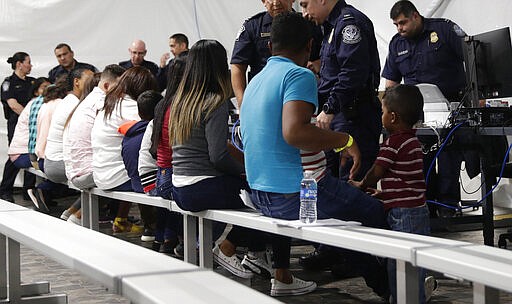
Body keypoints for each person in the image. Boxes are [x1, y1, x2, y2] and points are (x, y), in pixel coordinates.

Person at [241, 12, 388, 297]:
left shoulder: (255, 81)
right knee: (374, 212)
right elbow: (294, 132)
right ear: (310, 46)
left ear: (270, 47)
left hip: (261, 194)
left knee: (347, 223)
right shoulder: (299, 74)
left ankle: (384, 286)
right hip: (296, 194)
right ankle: (401, 289)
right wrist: (344, 140)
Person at [169, 40, 272, 280]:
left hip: (180, 187)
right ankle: (229, 248)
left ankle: (246, 253)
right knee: (265, 196)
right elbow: (218, 156)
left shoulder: (181, 101)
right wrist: (245, 171)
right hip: (202, 186)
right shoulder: (214, 101)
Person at [298, 0, 383, 271]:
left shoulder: (349, 24)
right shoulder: (330, 27)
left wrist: (330, 109)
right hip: (340, 114)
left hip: (352, 116)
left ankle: (367, 259)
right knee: (333, 185)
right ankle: (334, 252)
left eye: (306, 3)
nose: (304, 12)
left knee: (352, 186)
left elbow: (353, 73)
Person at [381, 0, 478, 218]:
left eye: (403, 23)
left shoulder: (443, 29)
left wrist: (476, 99)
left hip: (450, 110)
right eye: (396, 25)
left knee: (447, 159)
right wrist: (388, 112)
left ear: (415, 16)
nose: (400, 29)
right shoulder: (397, 43)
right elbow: (391, 84)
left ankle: (447, 208)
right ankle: (423, 207)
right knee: (417, 160)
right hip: (415, 115)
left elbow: (473, 59)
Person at [350, 84, 436, 303]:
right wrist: (386, 196)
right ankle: (415, 295)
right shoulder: (413, 141)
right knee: (415, 261)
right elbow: (407, 181)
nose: (382, 116)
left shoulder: (393, 143)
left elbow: (376, 171)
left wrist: (361, 185)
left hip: (403, 215)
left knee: (399, 264)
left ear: (393, 117)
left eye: (383, 112)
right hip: (417, 210)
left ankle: (404, 299)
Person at [92, 66, 158, 233]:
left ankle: (151, 228)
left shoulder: (111, 102)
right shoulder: (129, 106)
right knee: (164, 181)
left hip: (102, 173)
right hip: (116, 177)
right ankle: (159, 231)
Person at [61, 64, 125, 223]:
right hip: (85, 171)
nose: (123, 91)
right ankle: (127, 221)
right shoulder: (102, 103)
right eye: (121, 87)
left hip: (75, 169)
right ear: (106, 85)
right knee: (134, 174)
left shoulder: (89, 100)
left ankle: (75, 213)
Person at [230, 0, 322, 107]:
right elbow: (237, 66)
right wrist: (242, 103)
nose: (276, 3)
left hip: (300, 93)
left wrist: (317, 64)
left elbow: (329, 56)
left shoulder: (308, 22)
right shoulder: (253, 26)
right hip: (264, 98)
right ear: (263, 1)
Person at [119, 90, 161, 241]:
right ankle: (167, 234)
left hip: (136, 183)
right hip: (147, 185)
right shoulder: (154, 129)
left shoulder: (129, 132)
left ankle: (151, 228)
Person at [0, 52, 36, 202]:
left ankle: (29, 190)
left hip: (33, 124)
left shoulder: (33, 82)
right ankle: (5, 190)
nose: (31, 65)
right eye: (28, 62)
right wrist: (29, 116)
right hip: (17, 124)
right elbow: (13, 105)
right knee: (15, 156)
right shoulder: (9, 83)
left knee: (33, 153)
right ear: (19, 64)